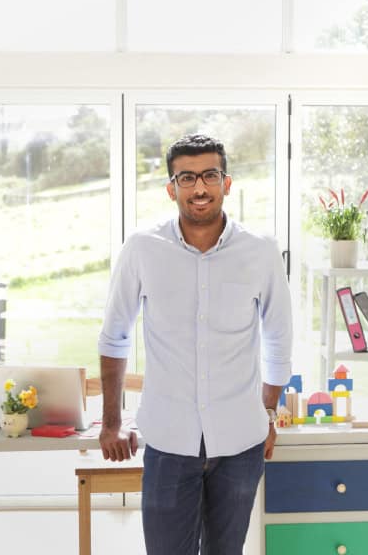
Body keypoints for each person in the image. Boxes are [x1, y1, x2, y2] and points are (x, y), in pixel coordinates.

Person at [97, 133, 293, 554]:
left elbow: (278, 338)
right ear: (171, 189)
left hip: (241, 441)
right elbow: (115, 337)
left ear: (228, 183)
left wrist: (270, 413)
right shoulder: (142, 249)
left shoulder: (261, 252)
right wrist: (111, 421)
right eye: (187, 178)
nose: (200, 188)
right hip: (169, 441)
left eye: (210, 175)